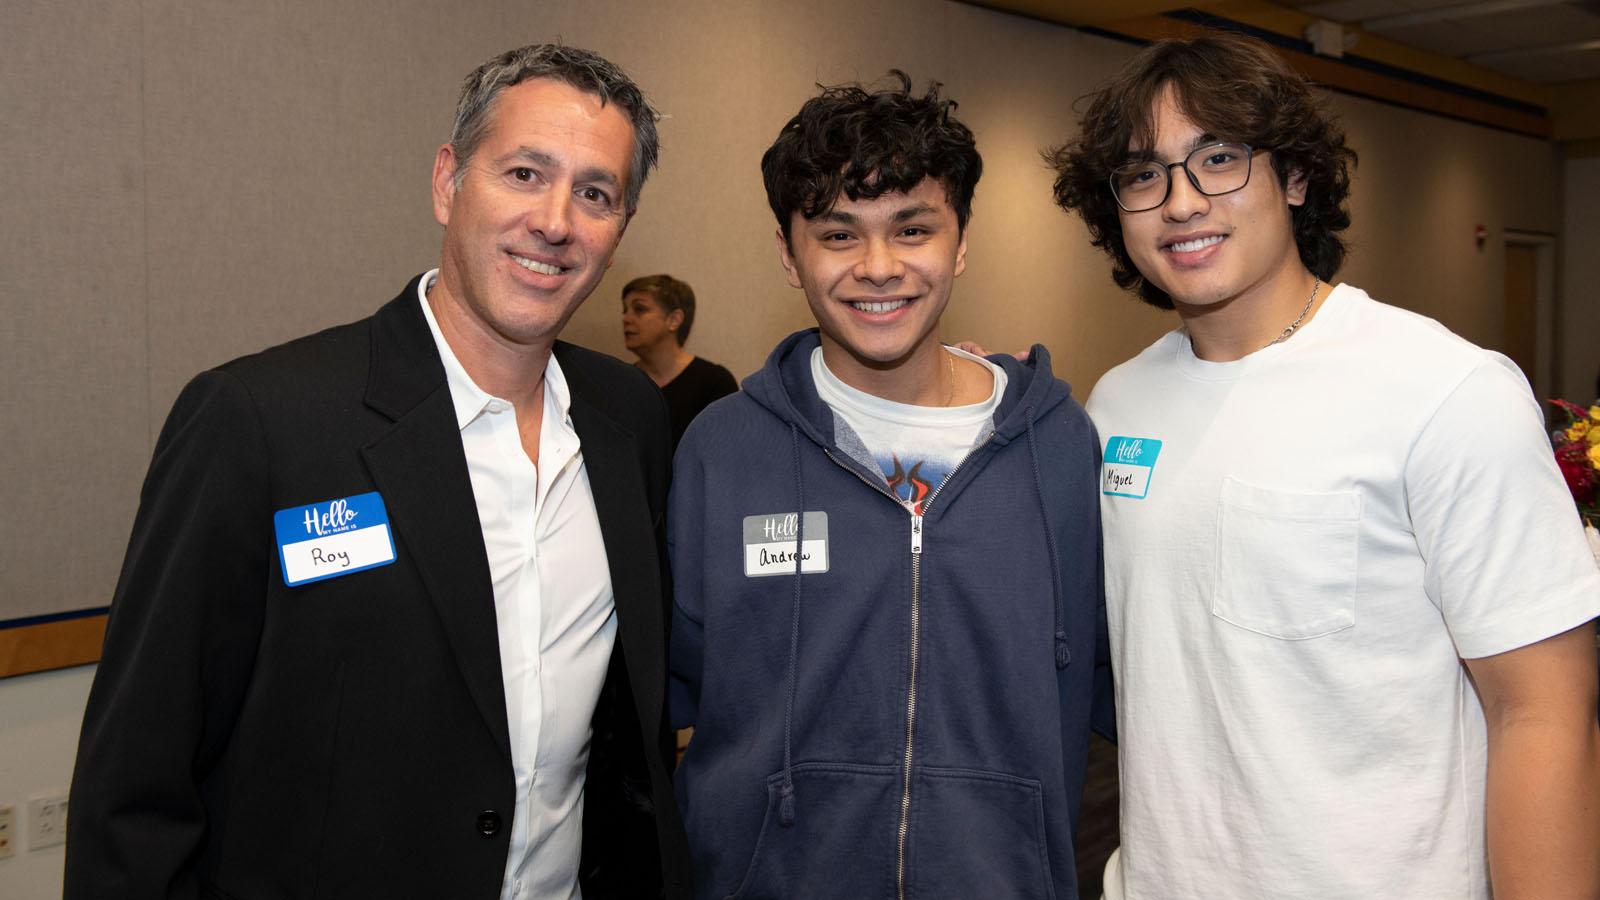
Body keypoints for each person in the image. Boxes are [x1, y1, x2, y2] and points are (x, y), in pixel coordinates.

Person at [66, 44, 691, 900]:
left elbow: (632, 731)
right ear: (448, 181)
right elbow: (135, 786)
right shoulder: (262, 423)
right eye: (523, 172)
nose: (556, 220)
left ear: (619, 229)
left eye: (595, 193)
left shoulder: (630, 423)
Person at [1048, 32, 1600, 900]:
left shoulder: (1446, 392)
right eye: (1143, 174)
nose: (1181, 203)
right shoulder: (1118, 405)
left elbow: (1542, 711)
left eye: (1219, 158)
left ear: (1296, 178)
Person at [668, 72, 1114, 900]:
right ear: (787, 253)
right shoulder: (722, 450)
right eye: (838, 235)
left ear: (961, 242)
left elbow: (1108, 682)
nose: (879, 268)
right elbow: (677, 692)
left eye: (912, 229)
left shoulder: (1057, 446)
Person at [620, 273, 738, 450]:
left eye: (639, 309)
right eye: (625, 310)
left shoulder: (715, 383)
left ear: (674, 320)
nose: (626, 318)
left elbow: (725, 454)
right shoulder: (621, 383)